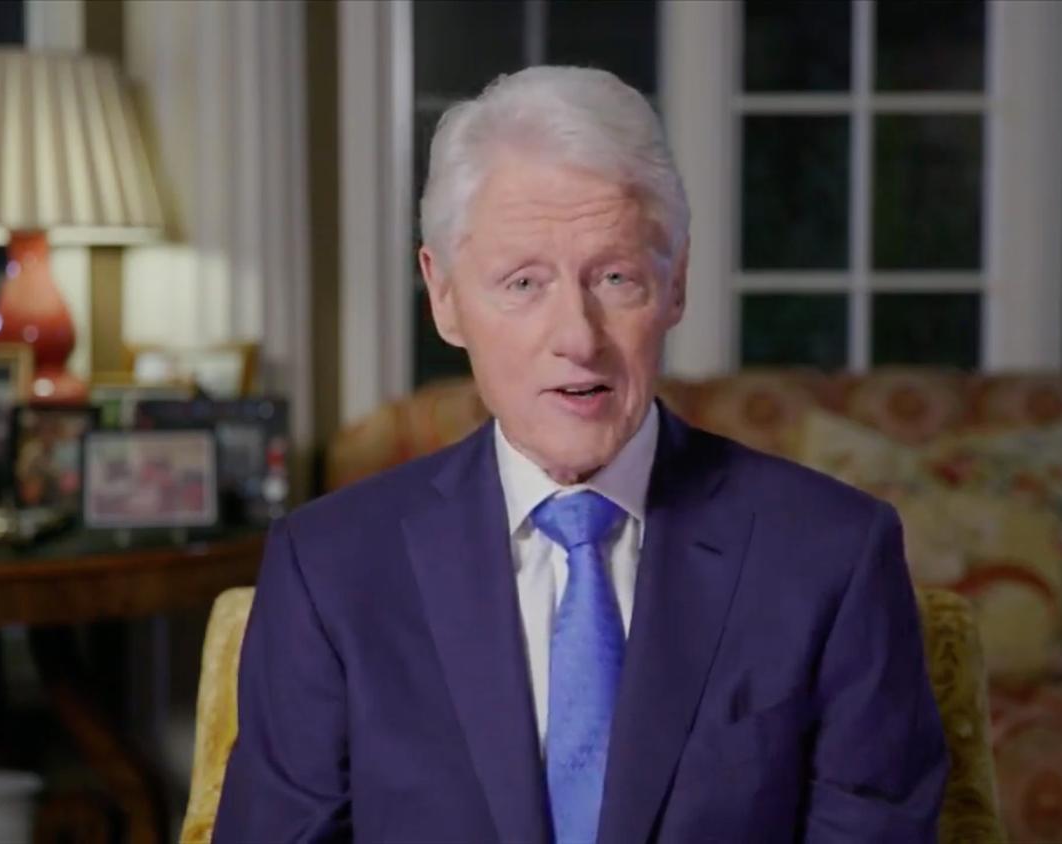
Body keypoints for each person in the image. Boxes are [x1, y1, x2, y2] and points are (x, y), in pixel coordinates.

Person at [215, 66, 947, 843]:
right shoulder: (328, 567)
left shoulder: (832, 554)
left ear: (676, 285)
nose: (578, 338)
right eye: (524, 282)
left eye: (616, 277)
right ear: (445, 297)